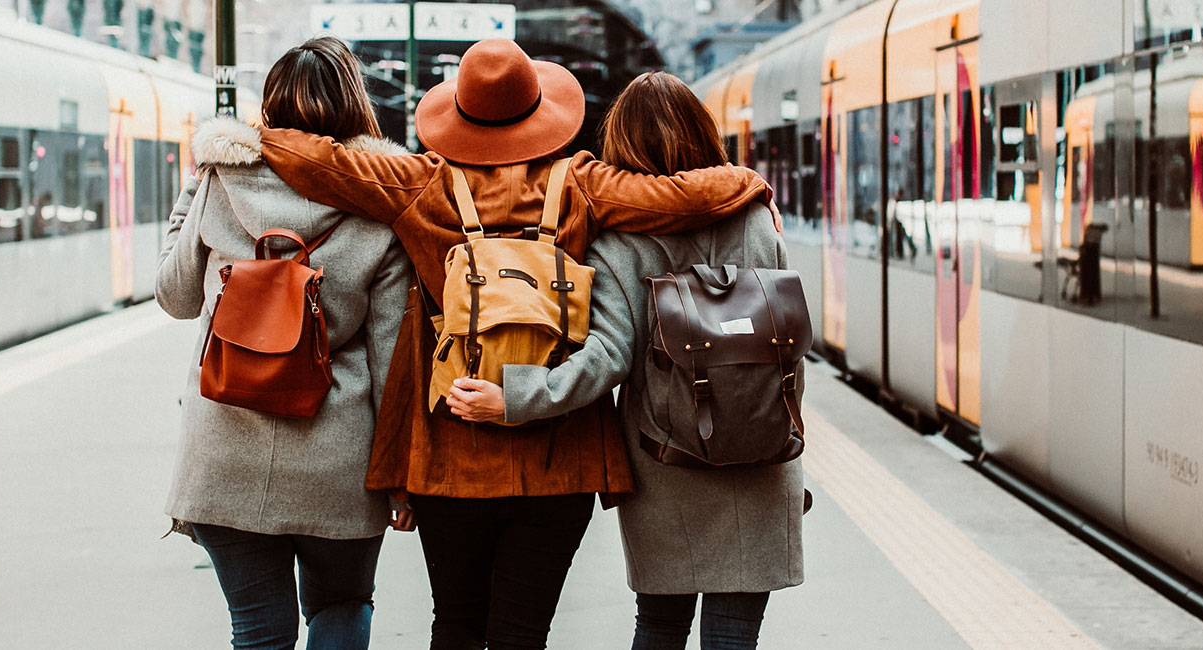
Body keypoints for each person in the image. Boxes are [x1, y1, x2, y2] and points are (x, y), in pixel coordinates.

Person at [250, 40, 775, 650]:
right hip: (561, 454)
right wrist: (746, 182)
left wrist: (246, 139)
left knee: (456, 623)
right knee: (523, 632)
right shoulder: (581, 182)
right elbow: (678, 196)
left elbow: (315, 161)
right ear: (539, 110)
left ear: (458, 114)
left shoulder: (421, 183)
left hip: (453, 445)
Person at [443, 71, 805, 650]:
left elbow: (607, 358)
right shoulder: (758, 216)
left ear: (622, 149)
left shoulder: (619, 241)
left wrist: (516, 399)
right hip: (761, 447)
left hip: (669, 458)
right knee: (735, 632)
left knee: (660, 625)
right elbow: (784, 336)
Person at [156, 37, 412, 650]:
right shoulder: (380, 201)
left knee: (258, 630)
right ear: (355, 106)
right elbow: (390, 357)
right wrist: (397, 474)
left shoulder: (224, 181)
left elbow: (175, 295)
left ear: (269, 106)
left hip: (224, 449)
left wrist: (196, 191)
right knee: (342, 605)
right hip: (339, 458)